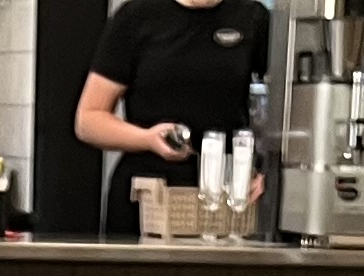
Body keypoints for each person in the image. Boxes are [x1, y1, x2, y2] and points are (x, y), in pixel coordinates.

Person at [77, 0, 272, 234]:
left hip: (225, 195)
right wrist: (147, 138)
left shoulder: (251, 16)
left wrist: (268, 173)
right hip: (149, 195)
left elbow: (286, 102)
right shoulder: (137, 16)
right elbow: (88, 120)